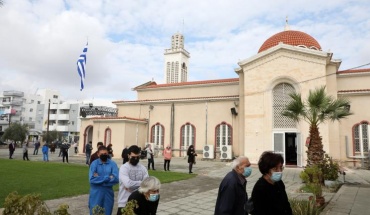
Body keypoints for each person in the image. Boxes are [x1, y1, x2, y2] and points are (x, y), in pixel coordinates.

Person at [117, 145, 149, 215]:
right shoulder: (124, 168)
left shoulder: (143, 168)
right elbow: (128, 184)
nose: (135, 159)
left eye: (137, 157)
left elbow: (147, 184)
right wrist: (142, 184)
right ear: (128, 155)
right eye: (133, 157)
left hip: (139, 203)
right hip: (124, 202)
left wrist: (133, 186)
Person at [89, 146, 119, 215]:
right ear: (98, 154)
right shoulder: (94, 164)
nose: (104, 155)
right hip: (96, 193)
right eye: (101, 154)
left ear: (108, 153)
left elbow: (116, 179)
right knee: (95, 212)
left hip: (108, 193)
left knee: (107, 212)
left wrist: (99, 178)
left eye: (105, 153)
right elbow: (92, 179)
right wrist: (108, 177)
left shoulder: (112, 164)